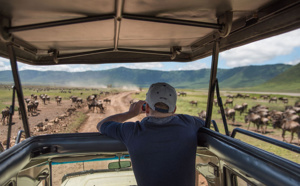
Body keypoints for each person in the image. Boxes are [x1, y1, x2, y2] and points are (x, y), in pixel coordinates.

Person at [97, 82, 205, 186]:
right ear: (174, 109)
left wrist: (131, 113)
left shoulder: (132, 130)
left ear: (146, 108)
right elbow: (204, 122)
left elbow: (102, 124)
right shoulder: (189, 123)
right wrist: (168, 113)